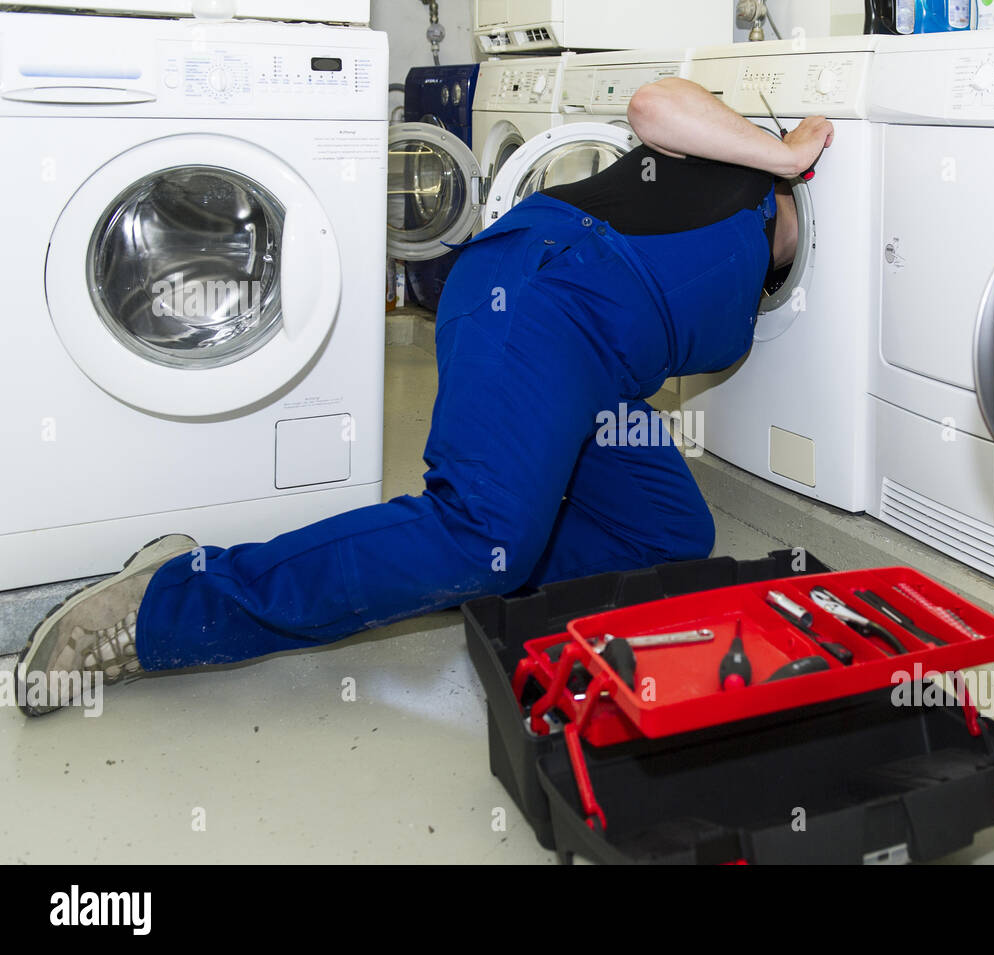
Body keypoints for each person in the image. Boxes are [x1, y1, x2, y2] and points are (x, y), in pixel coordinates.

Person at [13, 78, 834, 716]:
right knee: (482, 533)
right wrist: (787, 153)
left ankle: (475, 558)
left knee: (671, 533)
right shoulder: (742, 161)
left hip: (595, 373)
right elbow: (653, 104)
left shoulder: (750, 294)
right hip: (539, 293)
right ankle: (165, 602)